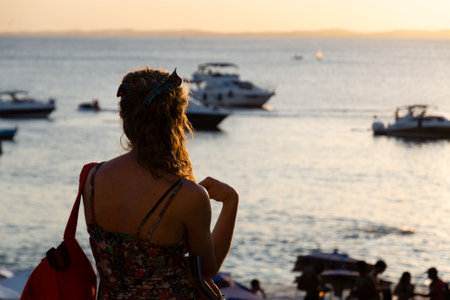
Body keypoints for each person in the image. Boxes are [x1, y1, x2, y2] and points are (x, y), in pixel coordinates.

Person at [81, 67, 239, 299]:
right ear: (176, 120)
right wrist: (230, 201)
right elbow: (207, 270)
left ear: (125, 117)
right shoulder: (186, 196)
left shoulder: (92, 178)